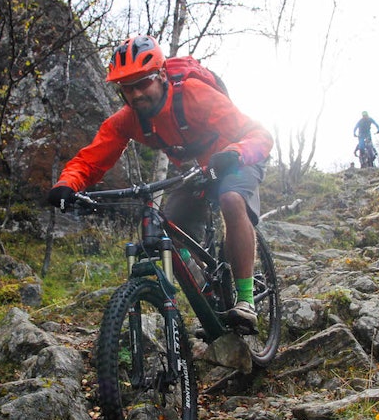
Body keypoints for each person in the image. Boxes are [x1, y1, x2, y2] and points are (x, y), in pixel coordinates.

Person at [47, 35, 274, 331]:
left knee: (231, 199)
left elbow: (260, 135)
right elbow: (91, 160)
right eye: (127, 88)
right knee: (172, 233)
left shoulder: (193, 95)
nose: (137, 94)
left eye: (144, 82)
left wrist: (235, 153)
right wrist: (67, 184)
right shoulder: (127, 120)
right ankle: (212, 296)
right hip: (195, 170)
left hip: (237, 157)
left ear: (162, 75)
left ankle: (245, 301)